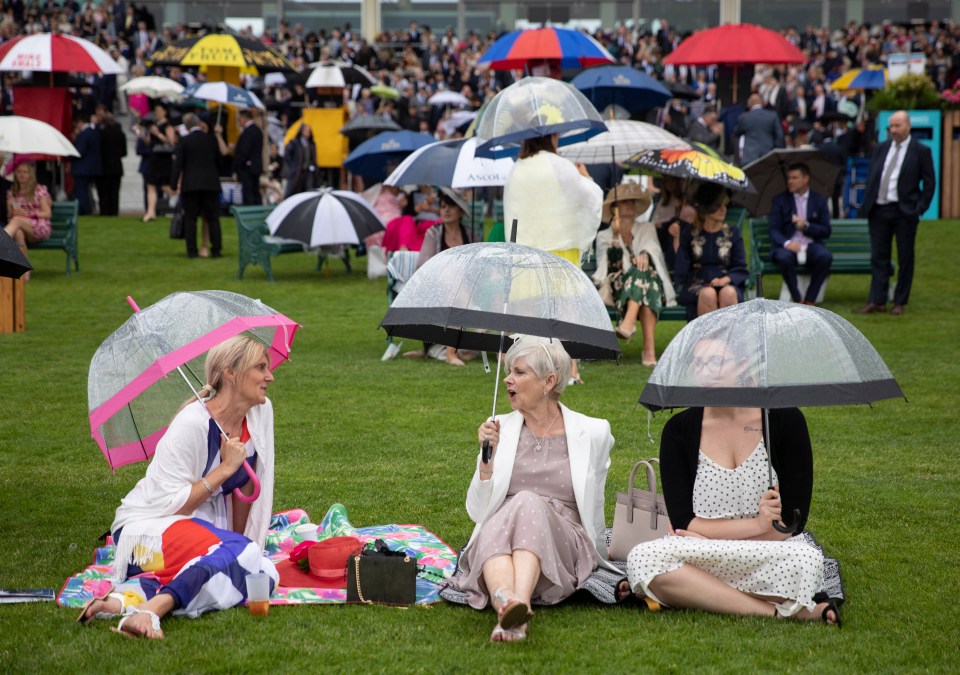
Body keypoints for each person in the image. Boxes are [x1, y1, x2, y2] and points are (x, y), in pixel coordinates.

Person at [624, 336, 840, 627]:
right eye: (698, 364)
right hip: (703, 552)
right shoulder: (679, 430)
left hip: (764, 551)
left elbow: (791, 524)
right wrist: (756, 525)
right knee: (642, 557)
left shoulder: (784, 421)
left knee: (806, 561)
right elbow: (684, 522)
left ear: (741, 366)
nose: (705, 372)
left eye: (715, 362)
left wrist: (712, 537)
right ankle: (774, 610)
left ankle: (703, 591)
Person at [76, 335, 280, 639]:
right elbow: (172, 504)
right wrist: (224, 469)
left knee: (263, 570)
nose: (270, 376)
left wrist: (233, 548)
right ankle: (155, 608)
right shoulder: (192, 423)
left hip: (188, 541)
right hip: (145, 533)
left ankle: (122, 601)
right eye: (260, 367)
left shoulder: (260, 412)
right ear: (231, 373)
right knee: (244, 558)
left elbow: (248, 487)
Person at [450, 335, 620, 642]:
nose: (507, 379)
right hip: (503, 535)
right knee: (502, 516)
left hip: (563, 542)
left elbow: (595, 504)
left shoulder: (593, 432)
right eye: (509, 371)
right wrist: (486, 461)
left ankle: (512, 600)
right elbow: (477, 511)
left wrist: (600, 551)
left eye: (519, 372)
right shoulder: (498, 427)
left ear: (549, 381)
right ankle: (510, 606)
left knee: (527, 501)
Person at [504, 129, 603, 384]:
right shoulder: (560, 165)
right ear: (552, 137)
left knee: (528, 315)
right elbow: (589, 197)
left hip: (525, 250)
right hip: (558, 246)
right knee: (565, 314)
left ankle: (524, 370)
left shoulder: (517, 169)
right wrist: (586, 177)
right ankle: (570, 370)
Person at [855, 110, 936, 316]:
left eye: (897, 126)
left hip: (904, 212)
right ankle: (877, 300)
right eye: (891, 126)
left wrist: (919, 208)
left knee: (905, 257)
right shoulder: (881, 149)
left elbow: (929, 183)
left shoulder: (921, 151)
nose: (893, 130)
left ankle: (899, 301)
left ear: (908, 126)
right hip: (879, 210)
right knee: (879, 257)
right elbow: (874, 176)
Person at [593, 183, 676, 366]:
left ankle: (628, 323)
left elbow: (653, 250)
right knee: (645, 280)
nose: (630, 204)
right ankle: (648, 352)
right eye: (624, 202)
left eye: (632, 201)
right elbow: (606, 269)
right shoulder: (604, 236)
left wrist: (644, 255)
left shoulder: (647, 228)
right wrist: (616, 239)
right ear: (614, 208)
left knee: (644, 276)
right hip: (618, 286)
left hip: (648, 284)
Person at [404, 187, 473, 366]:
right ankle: (451, 353)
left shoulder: (471, 234)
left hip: (467, 289)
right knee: (451, 279)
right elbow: (422, 267)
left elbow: (477, 266)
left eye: (451, 206)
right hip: (436, 289)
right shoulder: (433, 233)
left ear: (460, 211)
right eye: (442, 206)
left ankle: (501, 352)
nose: (446, 210)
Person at [674, 183, 748, 320]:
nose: (723, 209)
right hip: (697, 284)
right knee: (707, 294)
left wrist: (724, 280)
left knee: (728, 293)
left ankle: (729, 341)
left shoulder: (733, 233)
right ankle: (709, 341)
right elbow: (681, 267)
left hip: (726, 281)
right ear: (706, 208)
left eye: (725, 205)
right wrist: (678, 238)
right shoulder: (690, 233)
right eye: (717, 205)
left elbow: (740, 267)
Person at [767, 162, 833, 305]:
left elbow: (826, 230)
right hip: (788, 245)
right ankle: (797, 299)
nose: (790, 181)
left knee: (825, 256)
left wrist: (807, 226)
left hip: (810, 244)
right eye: (789, 178)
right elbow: (773, 229)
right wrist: (787, 243)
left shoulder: (819, 200)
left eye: (794, 178)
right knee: (784, 257)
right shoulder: (780, 200)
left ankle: (810, 299)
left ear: (805, 179)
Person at [171, 113, 223, 259]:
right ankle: (216, 249)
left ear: (186, 127)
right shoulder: (211, 140)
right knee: (213, 218)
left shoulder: (185, 141)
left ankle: (192, 250)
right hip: (210, 183)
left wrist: (173, 184)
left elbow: (178, 165)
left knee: (191, 218)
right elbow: (219, 162)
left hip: (191, 184)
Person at [4, 161, 52, 282]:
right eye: (19, 172)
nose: (21, 175)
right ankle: (25, 274)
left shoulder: (39, 190)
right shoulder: (12, 192)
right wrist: (10, 207)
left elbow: (47, 213)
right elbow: (11, 217)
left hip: (39, 226)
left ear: (31, 175)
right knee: (18, 233)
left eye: (25, 172)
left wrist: (29, 215)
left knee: (18, 221)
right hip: (20, 226)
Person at [143, 103, 177, 222]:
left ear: (165, 112)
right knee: (151, 185)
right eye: (155, 110)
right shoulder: (154, 125)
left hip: (164, 159)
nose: (156, 113)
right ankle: (151, 211)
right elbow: (150, 143)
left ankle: (179, 201)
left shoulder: (168, 125)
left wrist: (158, 134)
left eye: (158, 110)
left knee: (165, 186)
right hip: (154, 158)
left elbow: (171, 143)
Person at [734, 93, 784, 166]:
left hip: (750, 157)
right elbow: (780, 137)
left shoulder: (744, 117)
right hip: (768, 156)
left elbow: (736, 132)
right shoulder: (772, 116)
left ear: (749, 104)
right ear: (762, 102)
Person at [96, 107, 127, 216]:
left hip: (103, 167)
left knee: (104, 192)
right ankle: (114, 211)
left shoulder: (100, 133)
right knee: (114, 192)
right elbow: (124, 152)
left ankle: (104, 211)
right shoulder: (120, 134)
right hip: (116, 167)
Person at [71, 112, 102, 215]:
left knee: (82, 191)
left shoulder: (85, 134)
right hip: (89, 168)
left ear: (80, 122)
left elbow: (79, 151)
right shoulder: (92, 132)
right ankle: (87, 209)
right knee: (85, 191)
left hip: (82, 168)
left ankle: (85, 211)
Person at [234, 109, 264, 206]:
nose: (239, 121)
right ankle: (257, 210)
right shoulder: (258, 130)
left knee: (248, 192)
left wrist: (238, 165)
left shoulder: (248, 132)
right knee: (255, 191)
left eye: (240, 119)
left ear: (244, 118)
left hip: (247, 168)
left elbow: (244, 151)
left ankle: (249, 211)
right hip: (256, 167)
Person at [282, 122, 317, 198]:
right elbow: (287, 155)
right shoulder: (295, 143)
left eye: (308, 131)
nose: (307, 133)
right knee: (294, 191)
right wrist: (293, 165)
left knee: (308, 191)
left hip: (308, 171)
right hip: (297, 171)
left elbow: (313, 158)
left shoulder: (311, 144)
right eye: (305, 131)